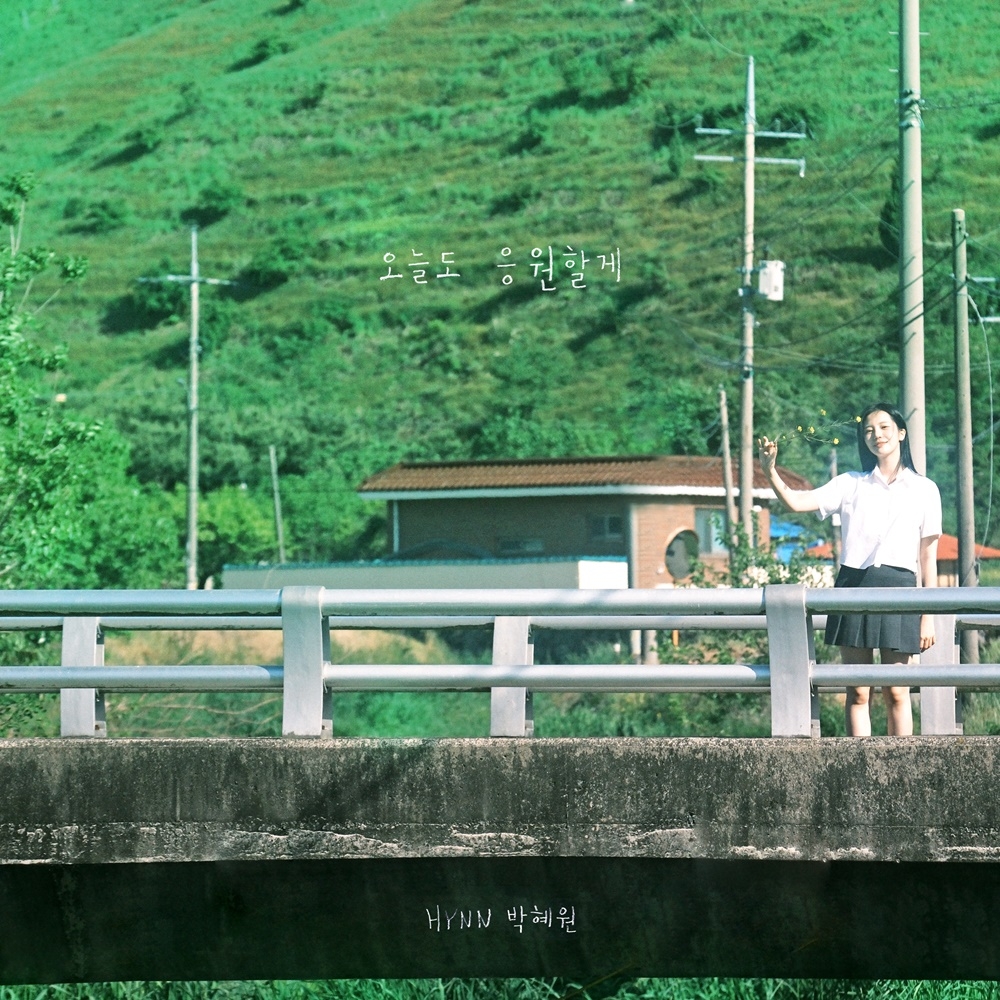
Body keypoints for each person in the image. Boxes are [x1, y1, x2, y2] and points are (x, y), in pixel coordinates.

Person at [758, 402, 941, 736]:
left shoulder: (925, 489)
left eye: (884, 427)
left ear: (901, 433)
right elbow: (797, 503)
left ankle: (902, 768)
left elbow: (928, 558)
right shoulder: (850, 483)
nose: (877, 435)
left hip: (901, 587)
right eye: (869, 430)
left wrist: (928, 615)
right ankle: (860, 769)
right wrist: (770, 470)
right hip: (853, 583)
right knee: (857, 691)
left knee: (897, 692)